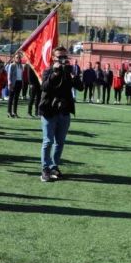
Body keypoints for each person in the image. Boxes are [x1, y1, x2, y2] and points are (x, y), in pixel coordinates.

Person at [38, 46, 84, 182]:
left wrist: (73, 76)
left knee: (60, 142)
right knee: (48, 141)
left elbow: (80, 87)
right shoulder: (48, 70)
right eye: (60, 57)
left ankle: (54, 166)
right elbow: (44, 87)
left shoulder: (69, 71)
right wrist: (55, 73)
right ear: (53, 58)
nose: (63, 59)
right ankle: (45, 169)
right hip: (49, 111)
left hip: (64, 111)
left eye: (65, 56)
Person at [6, 53, 24, 118]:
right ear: (14, 58)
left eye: (19, 57)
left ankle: (15, 112)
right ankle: (9, 112)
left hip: (19, 82)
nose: (18, 58)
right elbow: (9, 75)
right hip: (13, 83)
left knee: (16, 98)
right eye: (17, 57)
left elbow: (22, 75)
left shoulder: (21, 66)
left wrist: (22, 83)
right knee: (11, 98)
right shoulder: (12, 65)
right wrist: (9, 82)